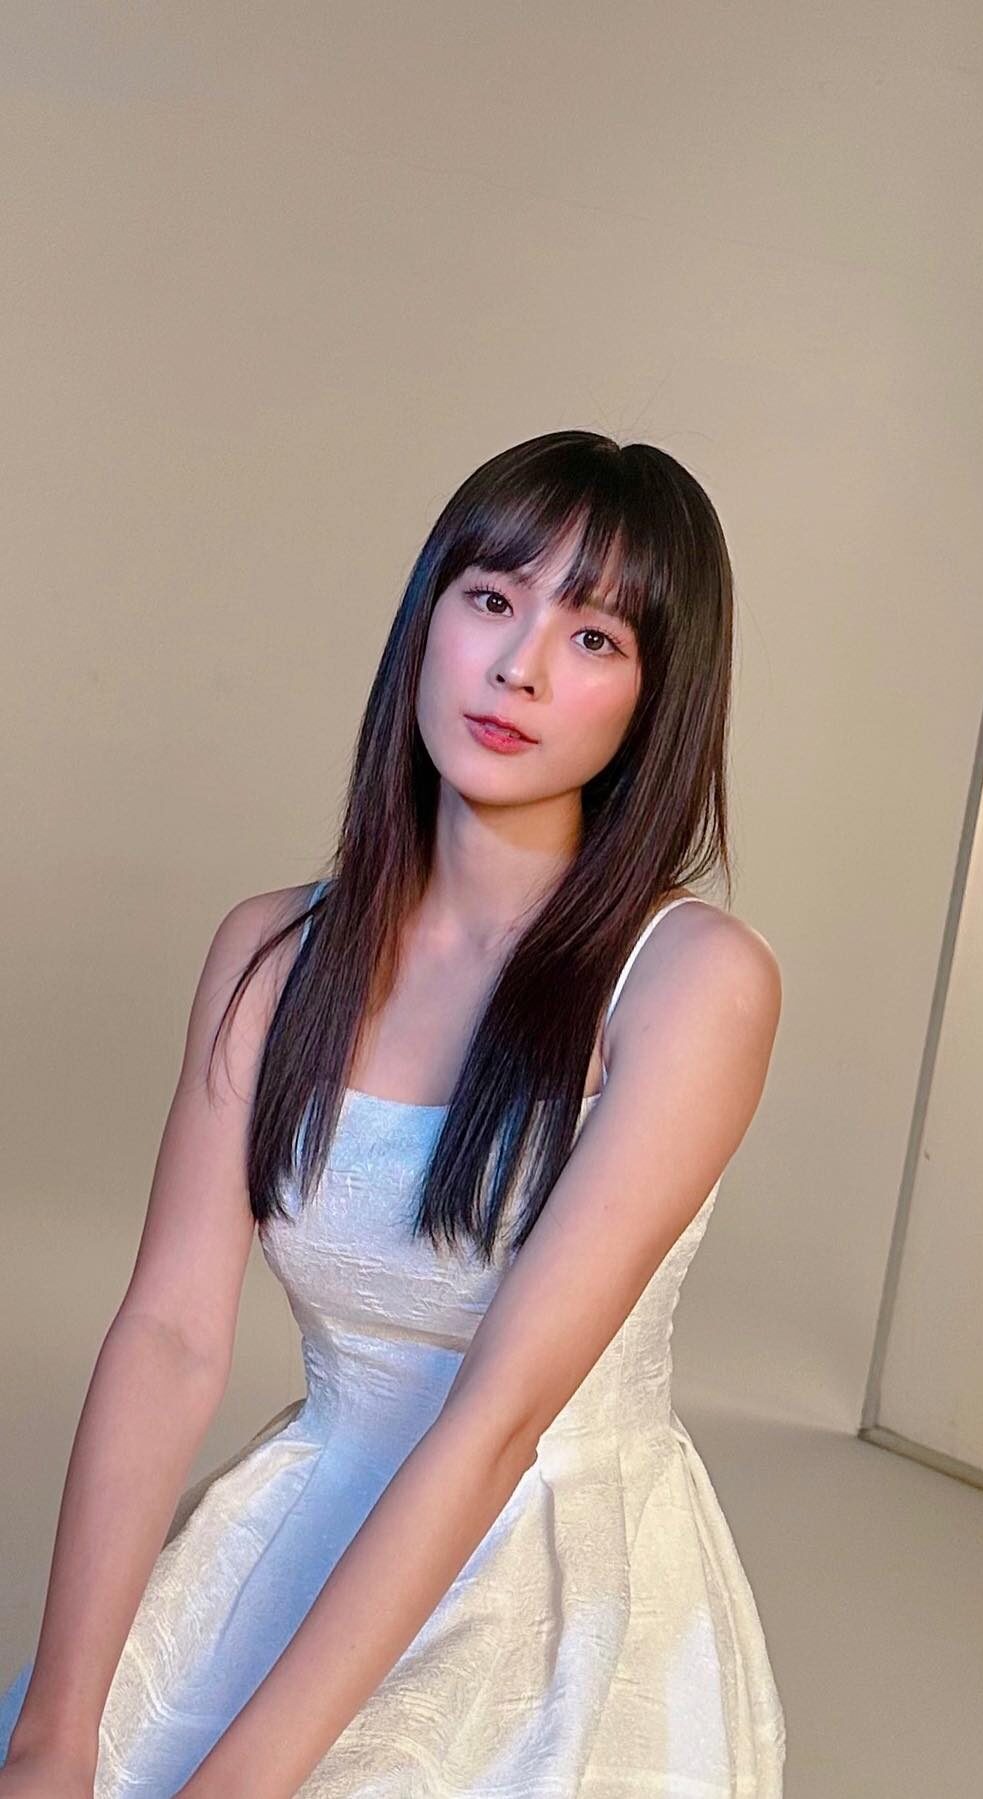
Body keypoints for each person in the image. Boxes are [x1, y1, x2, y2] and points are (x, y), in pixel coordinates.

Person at [0, 430, 788, 1796]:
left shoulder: (691, 984)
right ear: (428, 620)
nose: (519, 667)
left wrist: (240, 1783)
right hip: (303, 1529)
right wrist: (52, 1735)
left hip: (543, 1569)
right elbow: (173, 1336)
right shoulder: (271, 955)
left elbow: (500, 1417)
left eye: (593, 637)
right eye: (491, 599)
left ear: (655, 700)